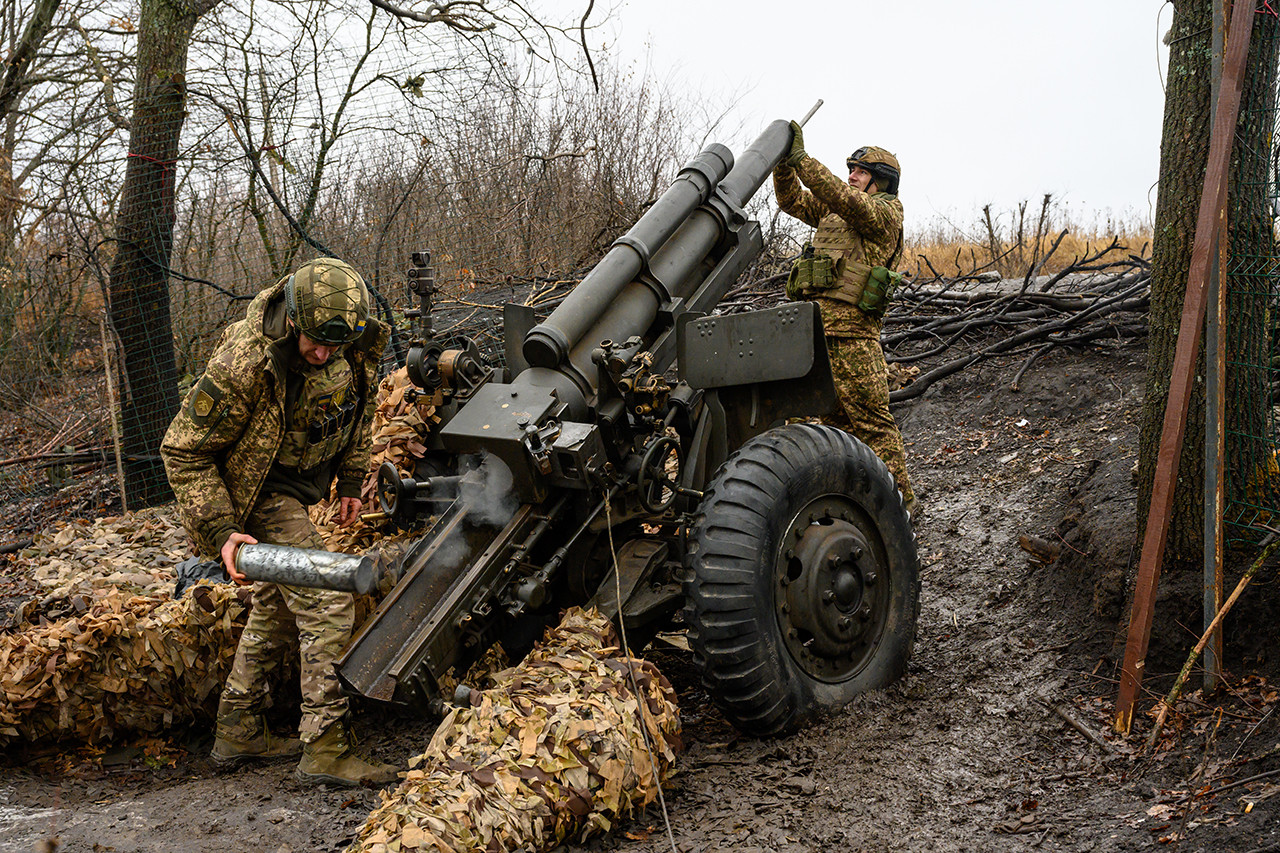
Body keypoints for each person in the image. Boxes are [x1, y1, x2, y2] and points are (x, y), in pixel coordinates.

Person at [161, 257, 398, 786]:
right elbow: (181, 452)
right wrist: (222, 533)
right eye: (315, 343)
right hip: (256, 493)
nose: (324, 354)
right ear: (292, 320)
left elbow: (357, 410)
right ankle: (326, 748)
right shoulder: (242, 364)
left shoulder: (355, 336)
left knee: (275, 604)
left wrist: (352, 476)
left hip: (303, 483)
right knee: (330, 597)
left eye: (336, 345)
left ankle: (239, 727)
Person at [773, 121, 916, 514]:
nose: (851, 176)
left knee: (872, 425)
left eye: (860, 171)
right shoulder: (834, 210)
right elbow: (791, 201)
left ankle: (902, 512)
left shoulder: (885, 212)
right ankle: (852, 505)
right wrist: (783, 162)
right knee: (834, 428)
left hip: (854, 337)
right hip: (817, 332)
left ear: (881, 181)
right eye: (850, 169)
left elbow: (843, 197)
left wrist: (803, 159)